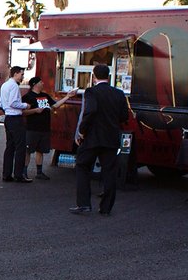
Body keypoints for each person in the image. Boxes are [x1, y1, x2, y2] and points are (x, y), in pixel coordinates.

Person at [71, 63, 131, 216]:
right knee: (109, 171)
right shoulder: (119, 93)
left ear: (94, 76)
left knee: (82, 166)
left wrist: (82, 131)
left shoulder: (91, 92)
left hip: (92, 137)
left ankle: (84, 203)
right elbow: (124, 116)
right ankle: (106, 207)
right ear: (109, 76)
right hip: (111, 137)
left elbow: (90, 111)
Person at [22, 76, 77, 181]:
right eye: (41, 82)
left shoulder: (45, 96)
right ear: (35, 84)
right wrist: (35, 111)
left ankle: (39, 172)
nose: (43, 83)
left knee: (41, 150)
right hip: (32, 128)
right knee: (28, 150)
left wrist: (67, 97)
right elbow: (23, 112)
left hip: (44, 128)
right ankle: (24, 172)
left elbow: (55, 105)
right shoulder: (28, 97)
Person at [0, 65, 32, 183]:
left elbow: (2, 103)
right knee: (20, 147)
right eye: (22, 74)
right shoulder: (14, 86)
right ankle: (19, 174)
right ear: (16, 73)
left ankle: (6, 173)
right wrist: (25, 105)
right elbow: (14, 102)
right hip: (15, 118)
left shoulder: (4, 85)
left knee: (10, 147)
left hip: (8, 117)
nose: (23, 76)